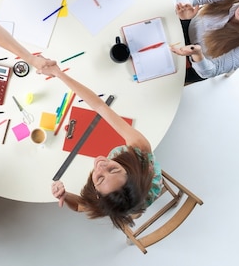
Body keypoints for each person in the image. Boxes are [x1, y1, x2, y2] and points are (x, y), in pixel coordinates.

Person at [43, 65, 162, 229]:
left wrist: (65, 195)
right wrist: (57, 73)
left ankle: (133, 207)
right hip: (145, 181)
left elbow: (79, 206)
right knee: (135, 206)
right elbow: (100, 106)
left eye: (99, 178)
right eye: (113, 169)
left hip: (138, 199)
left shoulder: (104, 203)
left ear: (98, 195)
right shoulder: (140, 149)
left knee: (135, 210)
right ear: (130, 170)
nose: (101, 166)